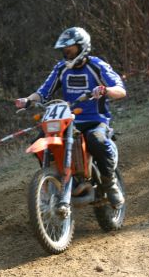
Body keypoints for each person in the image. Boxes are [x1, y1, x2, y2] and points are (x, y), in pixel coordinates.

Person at [15, 27, 126, 209]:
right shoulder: (61, 68)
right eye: (65, 49)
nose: (67, 52)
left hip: (95, 120)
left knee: (95, 139)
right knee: (39, 141)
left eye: (71, 49)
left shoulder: (97, 65)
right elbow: (43, 92)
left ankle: (110, 183)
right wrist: (27, 100)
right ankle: (56, 178)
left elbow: (120, 90)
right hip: (68, 120)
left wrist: (105, 90)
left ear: (82, 47)